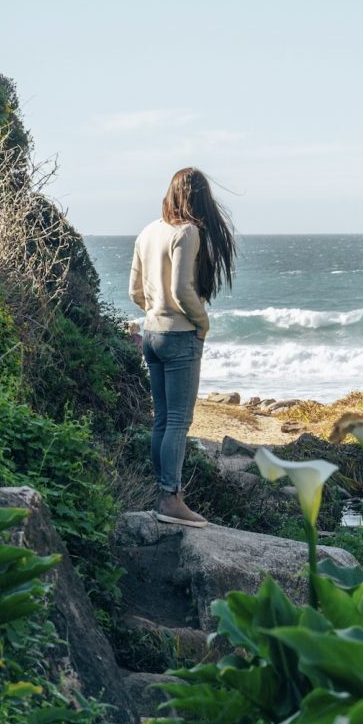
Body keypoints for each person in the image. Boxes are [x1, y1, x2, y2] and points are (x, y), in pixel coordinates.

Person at [129, 167, 237, 527]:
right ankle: (171, 499)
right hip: (179, 337)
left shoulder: (147, 232)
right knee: (178, 420)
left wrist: (155, 314)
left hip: (152, 336)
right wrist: (201, 322)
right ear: (198, 198)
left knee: (161, 418)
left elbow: (136, 292)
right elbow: (180, 290)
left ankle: (164, 494)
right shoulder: (187, 232)